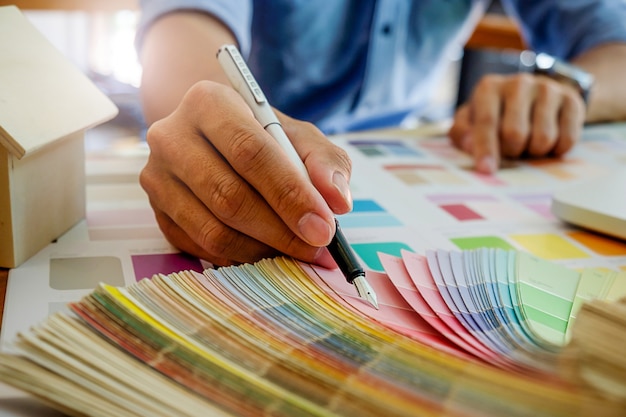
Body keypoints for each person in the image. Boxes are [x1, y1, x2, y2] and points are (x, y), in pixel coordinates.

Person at [136, 0, 626, 269]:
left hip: (413, 152)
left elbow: (616, 40)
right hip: (255, 157)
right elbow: (181, 29)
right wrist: (211, 116)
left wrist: (571, 90)